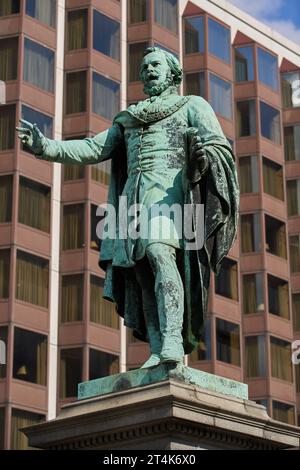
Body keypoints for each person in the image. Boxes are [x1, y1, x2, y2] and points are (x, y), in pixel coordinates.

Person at [16, 47, 239, 368]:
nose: (148, 70)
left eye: (156, 65)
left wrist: (203, 158)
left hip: (173, 197)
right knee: (141, 273)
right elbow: (94, 148)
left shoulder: (192, 105)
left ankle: (174, 339)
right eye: (144, 66)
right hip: (133, 200)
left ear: (173, 73)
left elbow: (218, 147)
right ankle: (159, 346)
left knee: (160, 255)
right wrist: (45, 146)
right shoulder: (129, 118)